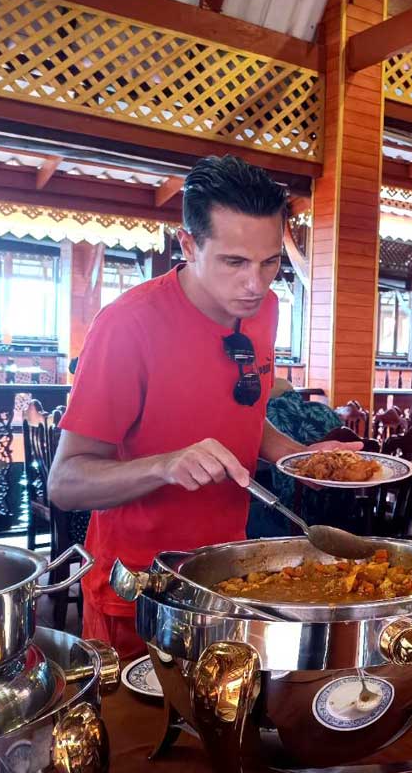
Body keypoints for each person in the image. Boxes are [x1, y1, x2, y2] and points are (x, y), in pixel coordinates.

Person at [48, 155, 360, 658]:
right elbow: (65, 484)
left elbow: (242, 414)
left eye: (270, 261)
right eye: (234, 262)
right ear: (188, 245)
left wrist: (297, 456)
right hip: (140, 592)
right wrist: (167, 465)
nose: (255, 284)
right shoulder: (128, 327)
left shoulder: (265, 311)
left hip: (232, 578)